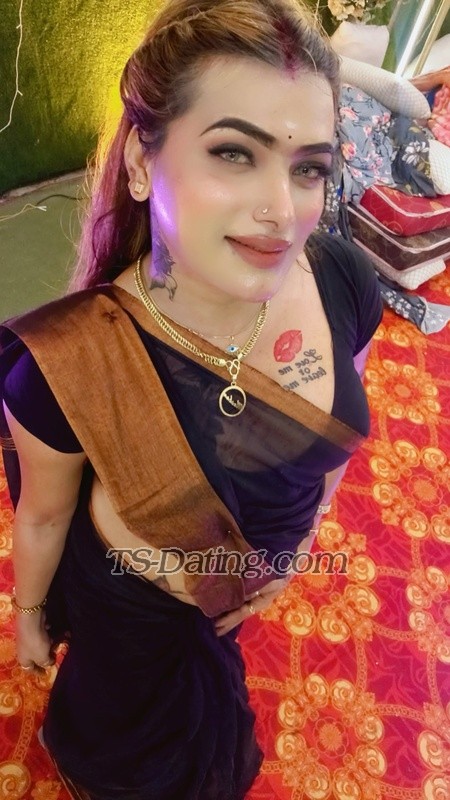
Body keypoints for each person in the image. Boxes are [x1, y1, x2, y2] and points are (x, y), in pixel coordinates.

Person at [0, 0, 383, 798]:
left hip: (238, 602)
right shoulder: (69, 363)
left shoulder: (344, 278)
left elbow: (337, 429)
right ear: (142, 163)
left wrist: (305, 537)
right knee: (118, 744)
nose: (282, 210)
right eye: (235, 153)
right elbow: (40, 518)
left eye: (309, 168)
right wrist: (30, 616)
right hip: (129, 618)